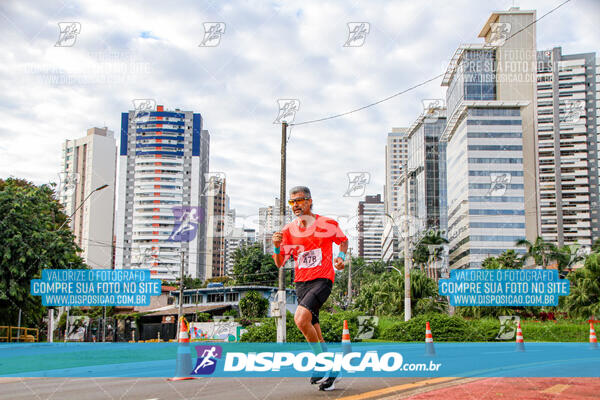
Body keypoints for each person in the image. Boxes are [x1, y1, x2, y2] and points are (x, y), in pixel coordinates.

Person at [272, 186, 348, 391]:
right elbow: (280, 263)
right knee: (313, 326)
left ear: (309, 201)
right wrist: (277, 246)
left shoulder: (326, 223)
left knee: (300, 319)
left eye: (299, 200)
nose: (295, 205)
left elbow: (343, 241)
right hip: (301, 283)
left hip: (322, 279)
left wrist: (340, 258)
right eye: (292, 202)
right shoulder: (288, 231)